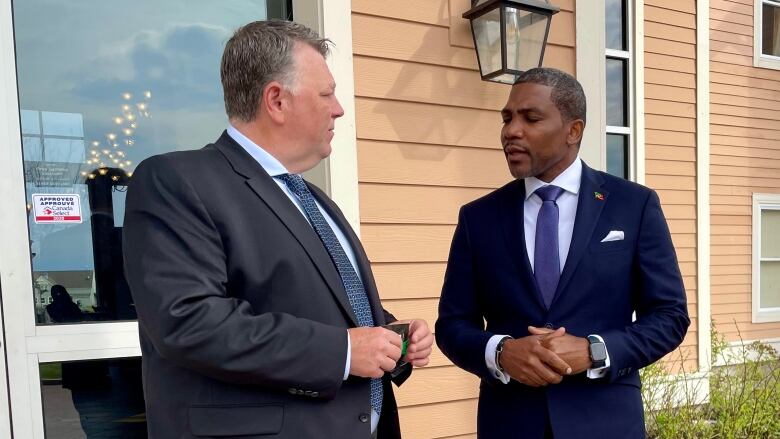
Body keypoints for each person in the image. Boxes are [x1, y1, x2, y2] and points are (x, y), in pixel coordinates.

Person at [123, 20, 433, 439]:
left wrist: (391, 335)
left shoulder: (315, 199)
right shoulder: (176, 180)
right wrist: (342, 351)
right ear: (276, 100)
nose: (338, 108)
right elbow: (188, 320)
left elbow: (326, 307)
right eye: (327, 93)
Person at [435, 67, 690, 439]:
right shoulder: (478, 218)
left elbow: (669, 315)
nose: (511, 130)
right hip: (509, 424)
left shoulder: (633, 206)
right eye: (507, 118)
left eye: (530, 118)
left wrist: (594, 351)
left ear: (573, 130)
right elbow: (452, 326)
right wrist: (501, 352)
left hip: (606, 424)